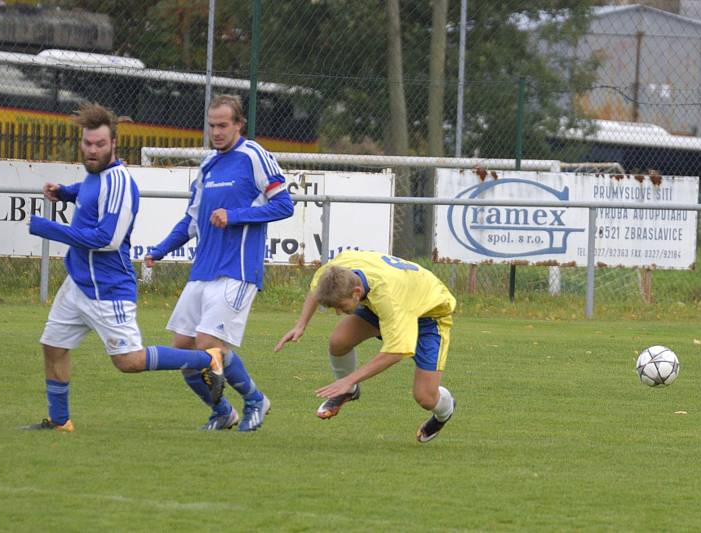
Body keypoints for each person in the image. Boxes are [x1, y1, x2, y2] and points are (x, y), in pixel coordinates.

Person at [26, 102, 227, 432]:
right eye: (88, 144)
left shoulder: (120, 181)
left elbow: (106, 239)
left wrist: (48, 228)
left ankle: (208, 359)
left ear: (114, 145)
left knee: (128, 361)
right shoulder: (95, 175)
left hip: (108, 288)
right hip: (78, 282)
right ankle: (60, 421)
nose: (92, 150)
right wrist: (65, 193)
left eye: (100, 144)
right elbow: (90, 195)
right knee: (53, 346)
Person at [145, 94, 293, 432]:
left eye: (223, 125)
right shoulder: (208, 164)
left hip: (237, 270)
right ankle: (223, 412)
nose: (217, 132)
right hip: (202, 272)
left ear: (239, 124)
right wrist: (161, 249)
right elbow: (192, 220)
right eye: (212, 126)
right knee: (183, 354)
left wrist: (235, 215)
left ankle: (256, 400)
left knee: (207, 346)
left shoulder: (253, 156)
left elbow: (285, 205)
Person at [274, 250, 457, 442]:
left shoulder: (389, 297)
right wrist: (300, 325)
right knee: (338, 341)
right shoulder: (334, 272)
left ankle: (445, 412)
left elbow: (395, 352)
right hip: (388, 303)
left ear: (356, 293)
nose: (338, 313)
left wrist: (349, 378)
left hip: (429, 315)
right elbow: (317, 288)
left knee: (425, 397)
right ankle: (349, 391)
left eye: (341, 307)